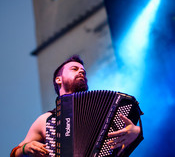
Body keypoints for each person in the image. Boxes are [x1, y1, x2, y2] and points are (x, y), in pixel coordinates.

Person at [10, 55, 143, 157]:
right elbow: (15, 153)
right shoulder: (46, 120)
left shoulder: (103, 111)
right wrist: (25, 149)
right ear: (58, 79)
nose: (81, 72)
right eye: (74, 69)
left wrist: (137, 133)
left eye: (83, 72)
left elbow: (119, 146)